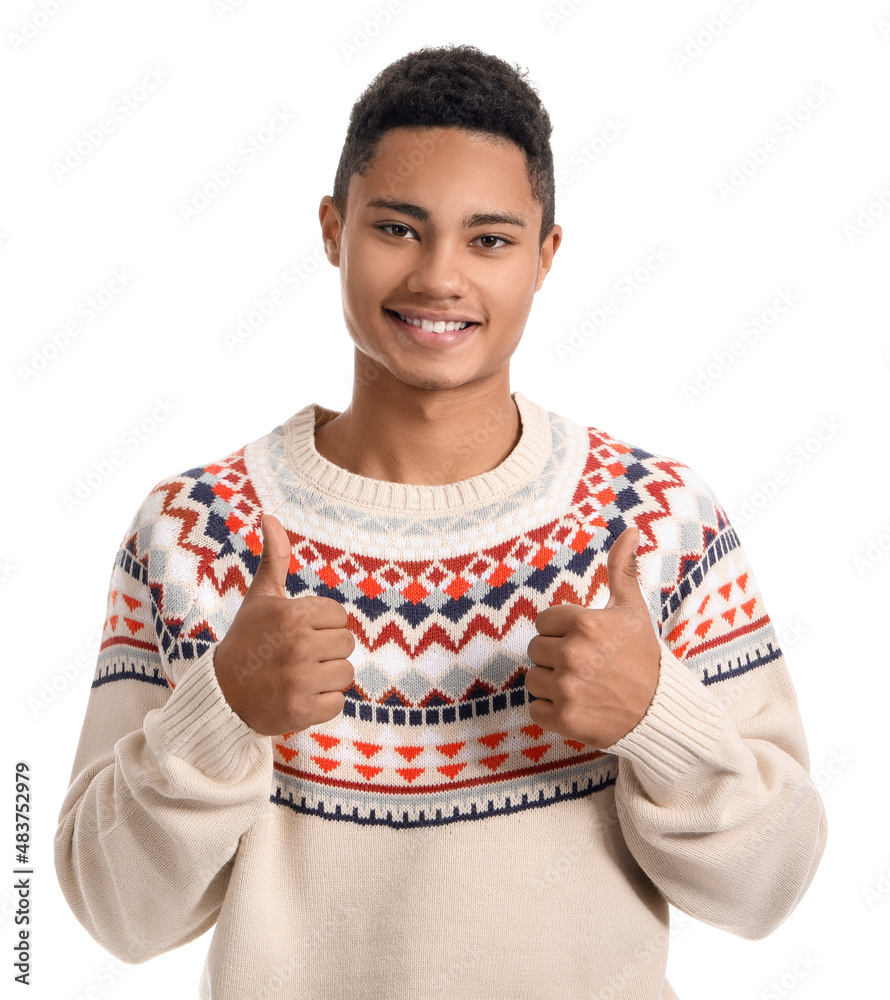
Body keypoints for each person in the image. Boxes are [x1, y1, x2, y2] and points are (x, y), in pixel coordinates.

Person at [54, 43, 828, 1000]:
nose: (440, 277)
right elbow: (116, 916)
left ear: (546, 257)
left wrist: (657, 718)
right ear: (333, 230)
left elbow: (768, 893)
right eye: (398, 228)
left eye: (490, 240)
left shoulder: (658, 519)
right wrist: (224, 711)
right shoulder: (191, 531)